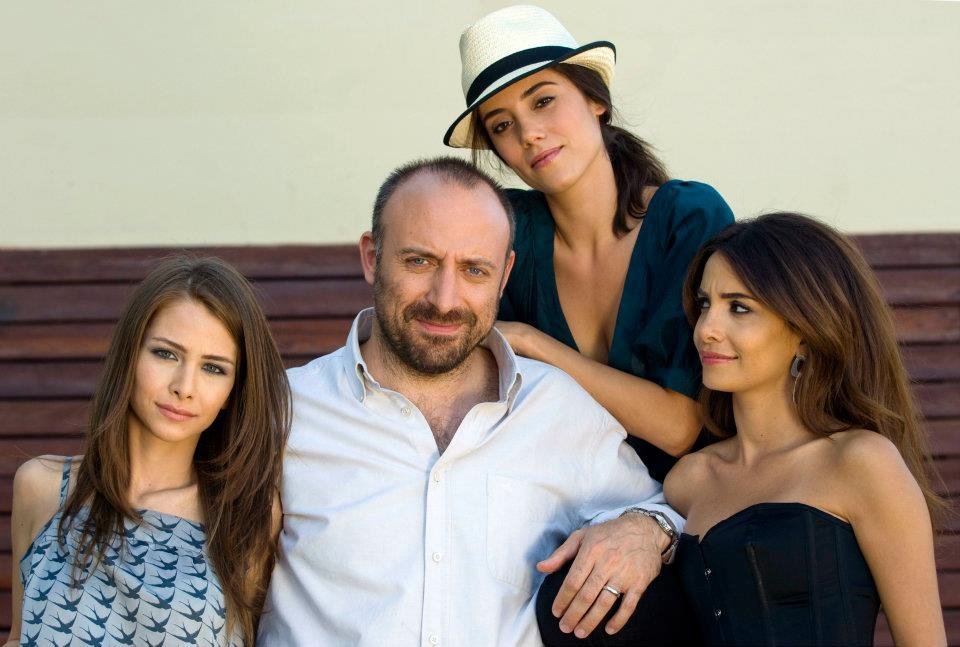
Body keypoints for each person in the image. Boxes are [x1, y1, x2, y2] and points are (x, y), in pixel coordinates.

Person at [257, 157, 683, 647]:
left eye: (474, 270)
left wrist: (645, 529)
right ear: (372, 258)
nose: (444, 299)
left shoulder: (557, 407)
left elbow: (659, 509)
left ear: (504, 276)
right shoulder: (285, 411)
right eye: (419, 262)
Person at [444, 6, 733, 642]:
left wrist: (534, 342)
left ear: (596, 100)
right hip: (574, 510)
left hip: (705, 508)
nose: (530, 135)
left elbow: (681, 425)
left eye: (544, 101)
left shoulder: (685, 217)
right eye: (503, 125)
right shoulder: (511, 234)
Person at [665, 212, 947, 645]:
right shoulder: (689, 480)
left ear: (804, 331)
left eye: (739, 307)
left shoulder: (862, 463)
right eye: (705, 304)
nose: (707, 330)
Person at [5, 256, 290, 647]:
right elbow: (19, 637)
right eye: (166, 353)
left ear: (231, 392)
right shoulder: (42, 486)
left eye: (213, 368)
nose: (184, 387)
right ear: (131, 354)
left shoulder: (246, 514)